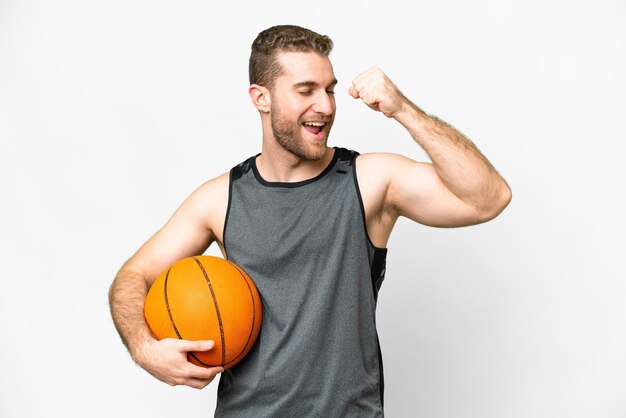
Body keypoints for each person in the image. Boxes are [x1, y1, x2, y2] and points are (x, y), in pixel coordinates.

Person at [109, 25, 512, 417]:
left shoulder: (369, 181)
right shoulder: (220, 198)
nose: (326, 106)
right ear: (261, 98)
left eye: (330, 89)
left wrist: (403, 110)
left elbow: (487, 198)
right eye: (306, 91)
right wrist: (145, 349)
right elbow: (134, 275)